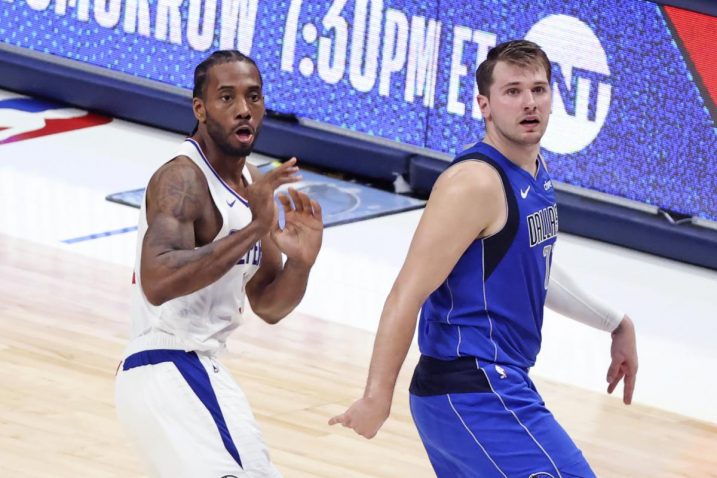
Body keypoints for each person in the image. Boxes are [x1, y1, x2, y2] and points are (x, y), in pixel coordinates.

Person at [329, 40, 638, 477]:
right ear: (484, 105)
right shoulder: (474, 183)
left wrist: (615, 322)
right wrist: (377, 396)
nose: (529, 102)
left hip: (495, 384)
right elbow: (407, 292)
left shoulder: (534, 172)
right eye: (512, 91)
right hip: (472, 389)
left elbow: (535, 268)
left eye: (539, 89)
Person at [115, 50, 323, 478]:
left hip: (206, 369)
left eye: (254, 97)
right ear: (200, 108)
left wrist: (300, 264)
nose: (244, 110)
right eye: (226, 98)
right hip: (164, 363)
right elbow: (158, 279)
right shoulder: (183, 177)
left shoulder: (251, 188)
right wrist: (254, 228)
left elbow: (267, 304)